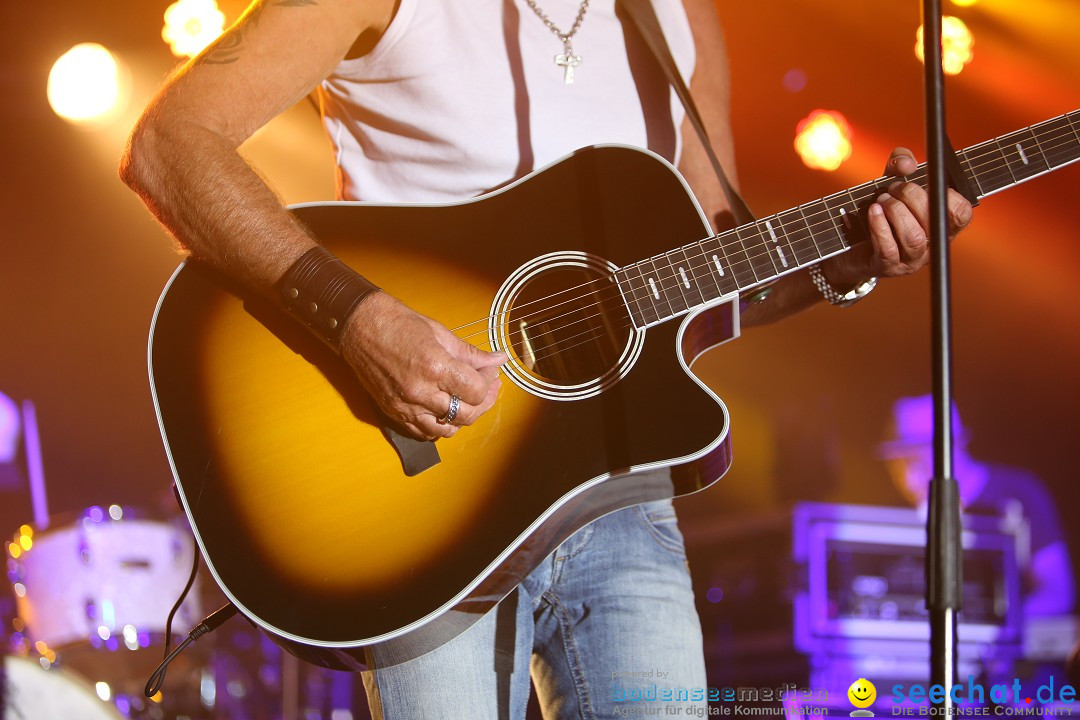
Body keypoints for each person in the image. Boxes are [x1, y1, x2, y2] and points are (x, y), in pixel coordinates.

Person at [119, 1, 973, 717]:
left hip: (620, 481)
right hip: (425, 479)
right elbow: (167, 144)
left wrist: (850, 257)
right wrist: (359, 321)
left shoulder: (674, 13)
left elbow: (715, 270)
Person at [880, 394, 1075, 617]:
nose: (906, 477)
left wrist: (995, 631)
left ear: (953, 447)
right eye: (896, 463)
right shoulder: (895, 514)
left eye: (916, 459)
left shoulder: (1018, 495)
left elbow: (1057, 594)